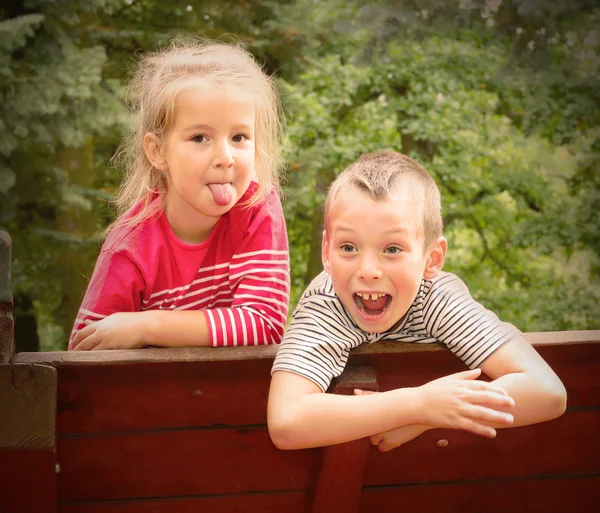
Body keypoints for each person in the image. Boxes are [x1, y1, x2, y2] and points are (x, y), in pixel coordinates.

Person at [268, 150, 566, 451]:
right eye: (348, 247)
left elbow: (549, 393)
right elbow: (285, 422)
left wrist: (424, 419)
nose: (368, 270)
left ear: (432, 259)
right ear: (326, 252)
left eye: (392, 249)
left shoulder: (436, 298)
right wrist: (417, 404)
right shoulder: (326, 304)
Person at [69, 40, 289, 351]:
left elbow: (265, 323)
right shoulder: (130, 248)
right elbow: (84, 353)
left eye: (239, 137)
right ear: (157, 151)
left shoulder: (257, 206)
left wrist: (147, 326)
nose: (225, 157)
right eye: (200, 137)